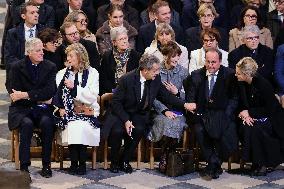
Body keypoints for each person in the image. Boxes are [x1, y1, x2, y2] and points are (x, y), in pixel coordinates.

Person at [102, 54, 194, 174]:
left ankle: (124, 160)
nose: (157, 73)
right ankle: (114, 162)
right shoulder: (127, 79)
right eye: (155, 70)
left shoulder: (155, 80)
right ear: (145, 70)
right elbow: (116, 103)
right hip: (121, 112)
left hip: (138, 113)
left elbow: (166, 96)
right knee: (117, 131)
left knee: (138, 129)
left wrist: (184, 105)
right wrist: (126, 120)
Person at [185, 48, 238, 180]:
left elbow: (234, 98)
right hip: (202, 115)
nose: (210, 65)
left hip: (223, 114)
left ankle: (213, 164)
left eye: (214, 62)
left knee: (228, 130)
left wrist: (226, 114)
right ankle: (214, 163)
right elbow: (191, 99)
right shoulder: (196, 75)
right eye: (208, 62)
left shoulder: (230, 75)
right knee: (199, 130)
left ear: (220, 61)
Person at [8, 38, 57, 178]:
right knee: (27, 124)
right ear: (29, 52)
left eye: (42, 49)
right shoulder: (16, 67)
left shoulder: (50, 66)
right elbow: (14, 93)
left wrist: (26, 94)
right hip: (21, 109)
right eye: (38, 50)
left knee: (48, 123)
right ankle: (24, 166)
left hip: (42, 109)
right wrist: (36, 96)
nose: (42, 53)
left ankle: (46, 165)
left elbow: (50, 91)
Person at [53, 43, 100, 175]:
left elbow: (92, 97)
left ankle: (82, 164)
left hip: (87, 111)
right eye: (67, 55)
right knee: (73, 126)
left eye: (71, 56)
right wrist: (60, 108)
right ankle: (75, 163)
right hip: (69, 112)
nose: (68, 58)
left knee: (81, 126)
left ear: (80, 57)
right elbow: (57, 96)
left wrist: (75, 88)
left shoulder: (93, 73)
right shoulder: (61, 74)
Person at [235, 57, 284, 176]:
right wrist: (245, 114)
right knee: (249, 127)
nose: (236, 75)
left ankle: (261, 164)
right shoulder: (241, 83)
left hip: (272, 119)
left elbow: (270, 109)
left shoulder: (263, 84)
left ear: (247, 74)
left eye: (239, 73)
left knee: (256, 129)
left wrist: (249, 113)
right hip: (253, 117)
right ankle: (258, 164)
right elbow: (240, 103)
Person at [147, 41, 188, 171]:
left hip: (178, 110)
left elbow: (190, 97)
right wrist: (164, 110)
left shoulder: (184, 72)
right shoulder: (156, 72)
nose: (176, 58)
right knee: (165, 122)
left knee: (176, 122)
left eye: (178, 55)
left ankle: (167, 155)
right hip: (160, 110)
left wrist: (177, 93)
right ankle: (167, 155)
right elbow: (151, 96)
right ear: (165, 56)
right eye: (173, 55)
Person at [99, 26, 140, 95]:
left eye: (125, 38)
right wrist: (114, 92)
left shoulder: (136, 56)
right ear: (114, 42)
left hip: (131, 94)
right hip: (112, 93)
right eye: (121, 39)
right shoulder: (107, 56)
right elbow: (103, 79)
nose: (124, 41)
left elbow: (138, 79)